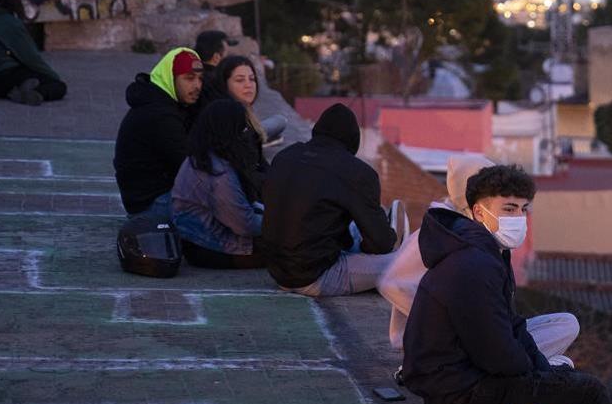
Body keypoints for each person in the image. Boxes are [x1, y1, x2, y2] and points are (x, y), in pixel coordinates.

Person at [402, 165, 612, 404]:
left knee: (565, 379)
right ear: (479, 213)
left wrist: (545, 372)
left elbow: (514, 326)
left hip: (470, 379)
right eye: (509, 209)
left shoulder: (488, 253)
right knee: (589, 392)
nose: (518, 218)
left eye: (523, 209)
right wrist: (540, 382)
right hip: (457, 396)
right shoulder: (473, 266)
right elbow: (496, 354)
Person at [379, 155, 580, 357]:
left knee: (566, 324)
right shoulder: (441, 232)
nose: (519, 217)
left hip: (487, 331)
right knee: (554, 365)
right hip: (444, 343)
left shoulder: (488, 233)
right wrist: (451, 324)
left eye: (523, 209)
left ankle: (529, 363)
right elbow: (391, 284)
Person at [262, 103, 398, 296]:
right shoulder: (356, 172)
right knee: (405, 262)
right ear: (353, 139)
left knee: (350, 222)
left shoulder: (285, 157)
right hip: (314, 277)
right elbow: (382, 244)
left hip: (277, 271)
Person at [172, 99, 266, 269]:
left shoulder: (201, 157)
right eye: (243, 128)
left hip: (196, 240)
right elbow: (245, 225)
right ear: (230, 131)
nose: (246, 133)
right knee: (295, 246)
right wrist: (282, 223)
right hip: (212, 248)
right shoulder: (218, 173)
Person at [114, 47, 203, 219]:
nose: (197, 85)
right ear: (170, 78)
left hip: (150, 197)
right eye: (189, 78)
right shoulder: (161, 116)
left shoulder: (167, 105)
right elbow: (188, 169)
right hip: (150, 204)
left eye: (200, 79)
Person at [194, 29, 235, 102]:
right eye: (227, 55)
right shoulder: (216, 84)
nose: (229, 60)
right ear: (216, 57)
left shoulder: (191, 76)